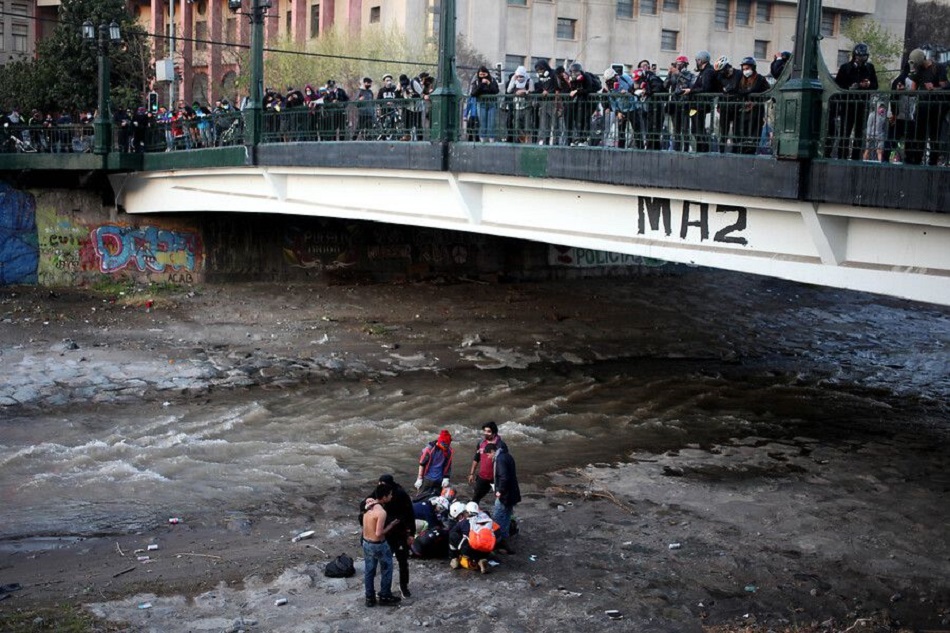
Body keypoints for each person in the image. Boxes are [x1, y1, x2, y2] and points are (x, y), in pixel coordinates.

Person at [829, 43, 879, 160]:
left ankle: (856, 156)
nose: (862, 59)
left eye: (864, 57)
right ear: (855, 56)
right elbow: (838, 86)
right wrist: (849, 88)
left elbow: (875, 85)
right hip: (848, 105)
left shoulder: (869, 68)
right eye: (860, 56)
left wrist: (868, 84)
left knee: (859, 133)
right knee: (845, 132)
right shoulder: (845, 68)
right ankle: (842, 156)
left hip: (863, 105)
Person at [905, 48, 948, 166]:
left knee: (934, 134)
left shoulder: (938, 67)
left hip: (936, 107)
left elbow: (946, 87)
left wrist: (934, 89)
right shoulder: (918, 70)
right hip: (923, 106)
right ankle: (917, 158)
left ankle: (932, 161)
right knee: (919, 134)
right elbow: (913, 89)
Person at [361, 482, 402, 607]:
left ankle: (370, 597)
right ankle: (384, 595)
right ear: (384, 497)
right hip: (378, 544)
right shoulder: (381, 512)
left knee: (369, 571)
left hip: (366, 542)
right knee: (387, 569)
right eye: (389, 495)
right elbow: (378, 533)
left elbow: (367, 500)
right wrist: (391, 525)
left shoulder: (368, 506)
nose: (391, 497)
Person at [377, 474, 416, 598]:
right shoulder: (381, 491)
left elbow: (410, 514)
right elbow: (366, 503)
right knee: (385, 562)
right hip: (387, 533)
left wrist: (411, 534)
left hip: (400, 532)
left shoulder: (401, 494)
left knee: (403, 561)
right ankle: (385, 589)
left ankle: (403, 586)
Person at [487, 442, 520, 555]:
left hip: (504, 495)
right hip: (512, 494)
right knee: (506, 516)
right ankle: (504, 538)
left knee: (498, 517)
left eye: (488, 455)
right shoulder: (508, 456)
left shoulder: (499, 459)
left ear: (492, 451)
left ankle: (497, 542)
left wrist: (499, 491)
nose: (488, 457)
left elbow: (503, 477)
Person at [448, 501, 499, 574]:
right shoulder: (485, 515)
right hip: (488, 548)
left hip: (472, 550)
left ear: (464, 512)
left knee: (452, 536)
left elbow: (452, 532)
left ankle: (454, 559)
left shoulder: (464, 522)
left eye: (459, 517)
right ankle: (482, 559)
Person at [681, 50, 716, 153]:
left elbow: (705, 87)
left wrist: (690, 90)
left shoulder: (708, 71)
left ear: (701, 60)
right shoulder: (703, 72)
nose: (696, 62)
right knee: (696, 129)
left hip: (701, 105)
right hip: (696, 105)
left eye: (697, 60)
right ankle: (701, 149)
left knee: (699, 129)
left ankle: (703, 151)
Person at [735, 57, 771, 155]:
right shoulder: (741, 79)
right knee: (743, 131)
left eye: (747, 68)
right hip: (744, 110)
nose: (745, 71)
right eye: (743, 69)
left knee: (754, 132)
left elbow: (767, 93)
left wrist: (755, 101)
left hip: (756, 110)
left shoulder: (760, 78)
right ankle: (742, 149)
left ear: (753, 68)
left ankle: (751, 150)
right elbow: (738, 91)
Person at [468, 421, 507, 503]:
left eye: (488, 431)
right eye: (485, 431)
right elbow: (476, 458)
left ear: (494, 433)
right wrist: (472, 474)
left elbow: (506, 462)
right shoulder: (481, 443)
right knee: (475, 498)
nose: (486, 433)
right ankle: (473, 514)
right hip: (482, 477)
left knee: (502, 498)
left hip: (495, 478)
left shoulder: (500, 445)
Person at [664, 55, 695, 151]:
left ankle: (685, 148)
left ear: (685, 64)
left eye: (679, 64)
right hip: (674, 103)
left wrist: (679, 74)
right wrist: (669, 75)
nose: (677, 65)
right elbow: (665, 85)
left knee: (685, 129)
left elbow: (690, 84)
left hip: (685, 104)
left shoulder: (690, 74)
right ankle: (676, 149)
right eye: (676, 64)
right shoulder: (673, 74)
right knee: (676, 129)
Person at [414, 429, 453, 501]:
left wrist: (446, 478)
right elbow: (422, 464)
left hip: (439, 479)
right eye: (445, 445)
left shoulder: (448, 451)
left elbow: (448, 465)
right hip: (427, 478)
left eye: (448, 445)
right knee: (419, 497)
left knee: (437, 499)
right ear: (440, 442)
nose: (446, 447)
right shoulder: (429, 449)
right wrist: (419, 478)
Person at [713, 56, 741, 153]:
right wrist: (719, 105)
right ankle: (721, 151)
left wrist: (727, 89)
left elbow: (733, 87)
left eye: (722, 71)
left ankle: (735, 151)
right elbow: (719, 88)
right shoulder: (720, 75)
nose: (722, 73)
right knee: (723, 130)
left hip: (737, 105)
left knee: (736, 130)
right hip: (725, 105)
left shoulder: (738, 73)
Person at [470, 66, 500, 142]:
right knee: (482, 123)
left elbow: (496, 91)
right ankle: (482, 140)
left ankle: (491, 140)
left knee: (491, 124)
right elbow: (473, 93)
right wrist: (481, 84)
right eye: (481, 74)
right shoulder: (476, 81)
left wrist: (489, 83)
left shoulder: (492, 80)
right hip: (481, 104)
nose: (483, 76)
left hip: (492, 104)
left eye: (484, 74)